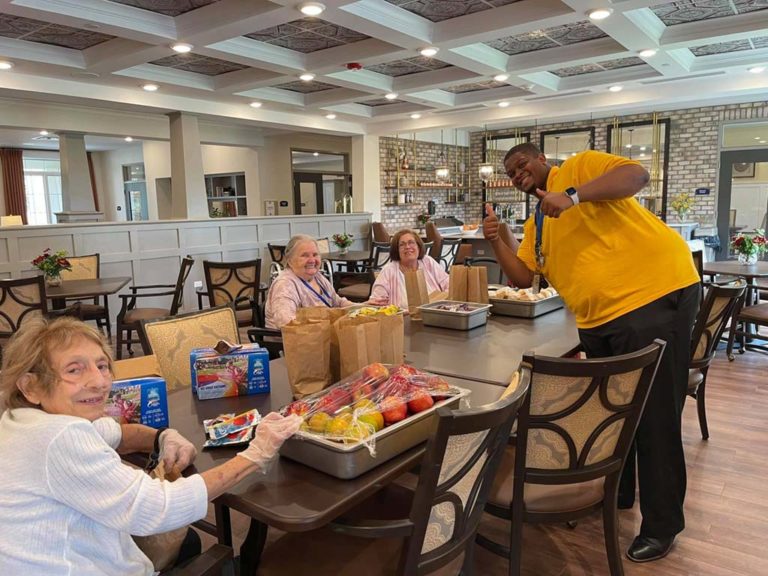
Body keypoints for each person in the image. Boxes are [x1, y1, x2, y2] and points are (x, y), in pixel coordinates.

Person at [484, 143, 699, 563]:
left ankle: (662, 525)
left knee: (655, 415)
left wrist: (574, 195)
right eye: (510, 174)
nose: (517, 175)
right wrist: (496, 242)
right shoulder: (539, 223)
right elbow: (524, 275)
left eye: (521, 165)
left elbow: (637, 176)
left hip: (652, 295)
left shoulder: (580, 168)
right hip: (598, 320)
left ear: (543, 159)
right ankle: (621, 494)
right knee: (617, 412)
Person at [0, 316, 301, 575]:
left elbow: (114, 432)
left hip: (60, 551)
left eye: (102, 366)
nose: (99, 382)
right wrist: (256, 453)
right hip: (77, 565)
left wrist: (162, 436)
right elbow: (159, 507)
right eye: (74, 370)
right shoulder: (60, 437)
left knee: (191, 542)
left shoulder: (21, 420)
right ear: (31, 386)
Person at [265, 234, 354, 328]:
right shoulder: (285, 285)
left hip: (323, 335)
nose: (312, 260)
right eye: (305, 255)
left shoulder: (318, 277)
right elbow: (286, 323)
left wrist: (363, 307)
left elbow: (338, 303)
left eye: (315, 255)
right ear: (290, 260)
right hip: (292, 340)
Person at [369, 228, 449, 308]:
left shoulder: (428, 261)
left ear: (418, 246)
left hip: (436, 313)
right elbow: (377, 300)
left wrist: (441, 304)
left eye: (411, 243)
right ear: (397, 250)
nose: (407, 247)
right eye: (402, 244)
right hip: (403, 317)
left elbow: (448, 285)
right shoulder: (389, 270)